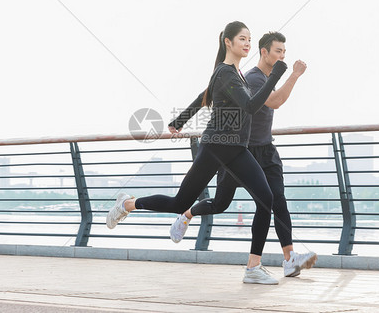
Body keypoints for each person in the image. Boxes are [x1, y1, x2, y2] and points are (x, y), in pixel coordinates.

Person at [107, 21, 288, 284]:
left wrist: (179, 120)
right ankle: (127, 204)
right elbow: (250, 106)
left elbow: (205, 96)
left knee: (266, 199)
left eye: (249, 39)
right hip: (215, 147)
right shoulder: (225, 73)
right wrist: (277, 74)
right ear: (228, 42)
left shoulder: (235, 73)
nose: (247, 43)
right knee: (180, 203)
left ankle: (253, 267)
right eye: (242, 39)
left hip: (236, 149)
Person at [168, 31, 317, 278]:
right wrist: (294, 74)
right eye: (278, 51)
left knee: (275, 200)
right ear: (264, 52)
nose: (282, 56)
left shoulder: (255, 76)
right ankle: (187, 213)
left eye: (284, 52)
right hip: (241, 151)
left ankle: (286, 259)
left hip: (266, 150)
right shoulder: (252, 78)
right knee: (220, 203)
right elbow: (276, 101)